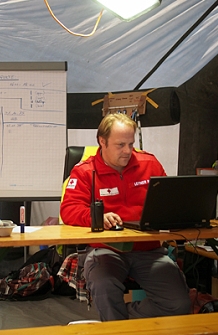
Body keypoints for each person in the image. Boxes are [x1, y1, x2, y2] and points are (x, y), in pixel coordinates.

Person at [60, 112, 190, 321]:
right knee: (104, 286)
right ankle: (115, 321)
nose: (128, 151)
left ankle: (119, 319)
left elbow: (168, 201)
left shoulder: (150, 164)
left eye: (131, 144)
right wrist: (97, 217)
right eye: (120, 145)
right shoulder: (85, 171)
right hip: (106, 249)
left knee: (179, 305)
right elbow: (69, 210)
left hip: (149, 250)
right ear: (102, 141)